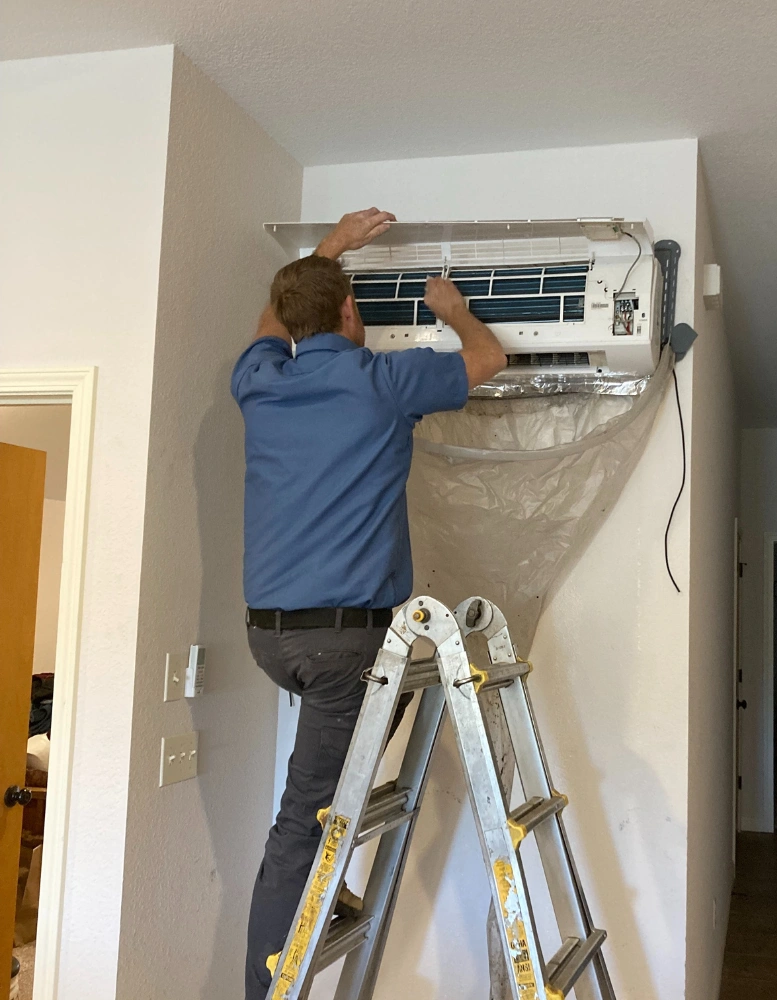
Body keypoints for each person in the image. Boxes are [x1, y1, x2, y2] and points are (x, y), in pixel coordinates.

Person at [231, 208, 507, 999]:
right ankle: (265, 988)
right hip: (342, 645)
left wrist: (328, 252)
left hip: (272, 638)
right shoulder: (382, 380)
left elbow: (276, 317)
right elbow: (484, 358)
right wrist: (453, 310)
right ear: (352, 314)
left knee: (344, 772)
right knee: (302, 820)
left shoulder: (258, 381)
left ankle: (324, 889)